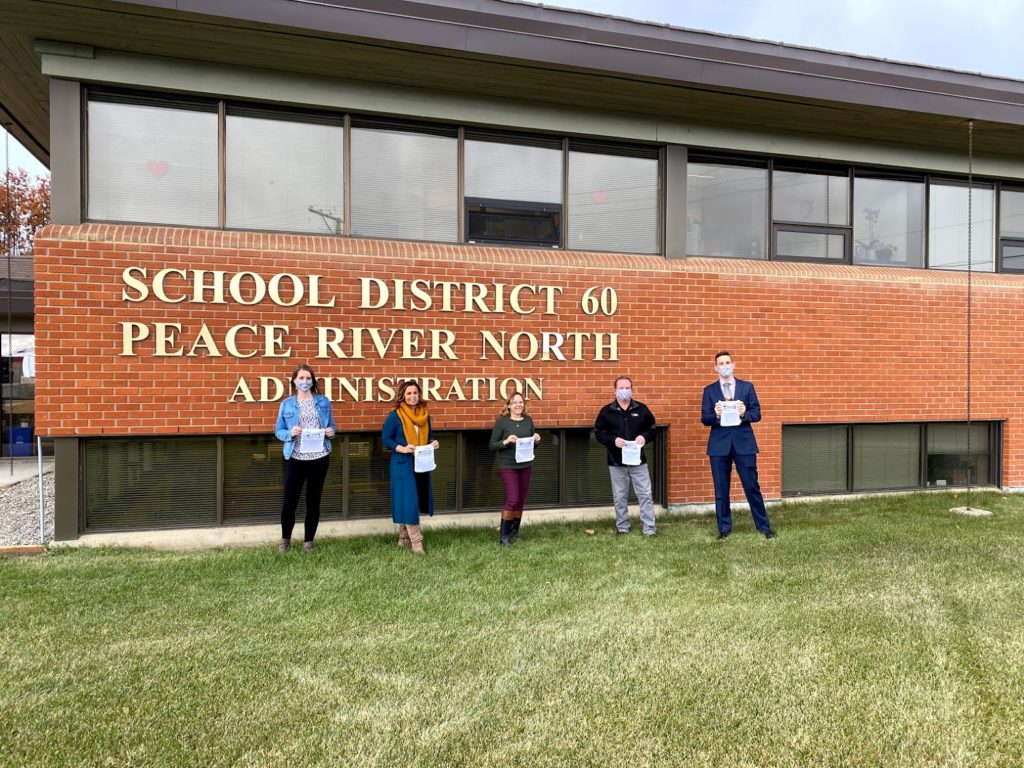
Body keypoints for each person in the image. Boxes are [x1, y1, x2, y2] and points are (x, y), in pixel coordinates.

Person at [701, 351, 776, 540]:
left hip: (744, 444)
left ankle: (764, 527)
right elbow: (705, 419)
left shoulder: (747, 387)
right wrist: (716, 415)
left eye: (727, 362)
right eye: (721, 363)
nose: (724, 365)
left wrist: (744, 413)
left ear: (733, 365)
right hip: (719, 446)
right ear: (716, 368)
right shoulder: (709, 391)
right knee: (721, 489)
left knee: (752, 486)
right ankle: (724, 529)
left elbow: (757, 414)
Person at [274, 364, 336, 554]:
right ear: (294, 381)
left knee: (313, 501)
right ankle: (285, 540)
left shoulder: (323, 402)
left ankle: (308, 542)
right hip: (295, 457)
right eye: (301, 378)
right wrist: (290, 433)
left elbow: (332, 427)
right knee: (289, 502)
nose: (305, 382)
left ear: (313, 381)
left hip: (319, 457)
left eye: (308, 378)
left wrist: (331, 432)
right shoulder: (287, 404)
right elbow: (278, 431)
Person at [594, 376, 657, 537]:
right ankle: (622, 527)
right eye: (621, 388)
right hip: (616, 461)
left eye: (627, 388)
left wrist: (644, 437)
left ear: (632, 390)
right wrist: (613, 440)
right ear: (615, 390)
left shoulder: (642, 409)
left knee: (645, 494)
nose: (624, 391)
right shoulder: (606, 411)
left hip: (638, 461)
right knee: (620, 496)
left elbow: (652, 429)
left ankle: (649, 529)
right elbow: (599, 433)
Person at [382, 380, 439, 555]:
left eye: (415, 393)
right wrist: (403, 448)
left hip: (421, 463)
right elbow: (386, 439)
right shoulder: (395, 416)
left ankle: (403, 538)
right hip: (402, 463)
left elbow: (429, 435)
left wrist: (433, 442)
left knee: (408, 500)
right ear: (402, 396)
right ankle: (416, 542)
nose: (412, 396)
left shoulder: (425, 415)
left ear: (419, 395)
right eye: (409, 393)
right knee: (408, 501)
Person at [489, 392, 541, 547]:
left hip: (525, 466)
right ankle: (503, 538)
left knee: (520, 501)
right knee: (513, 499)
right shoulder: (502, 422)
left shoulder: (528, 421)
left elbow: (531, 445)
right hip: (508, 466)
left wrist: (537, 440)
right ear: (509, 405)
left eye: (521, 402)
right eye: (515, 402)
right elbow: (492, 445)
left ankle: (514, 533)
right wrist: (505, 441)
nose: (518, 405)